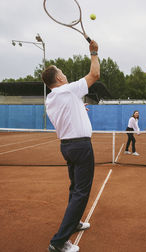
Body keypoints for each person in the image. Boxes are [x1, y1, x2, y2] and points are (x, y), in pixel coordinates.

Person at [42, 40, 100, 252]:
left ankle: (74, 222)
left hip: (67, 147)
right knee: (81, 192)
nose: (65, 75)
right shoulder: (67, 91)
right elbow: (94, 75)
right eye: (63, 73)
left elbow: (67, 111)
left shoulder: (52, 99)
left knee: (75, 187)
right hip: (81, 147)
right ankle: (58, 242)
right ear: (58, 78)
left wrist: (78, 105)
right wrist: (94, 52)